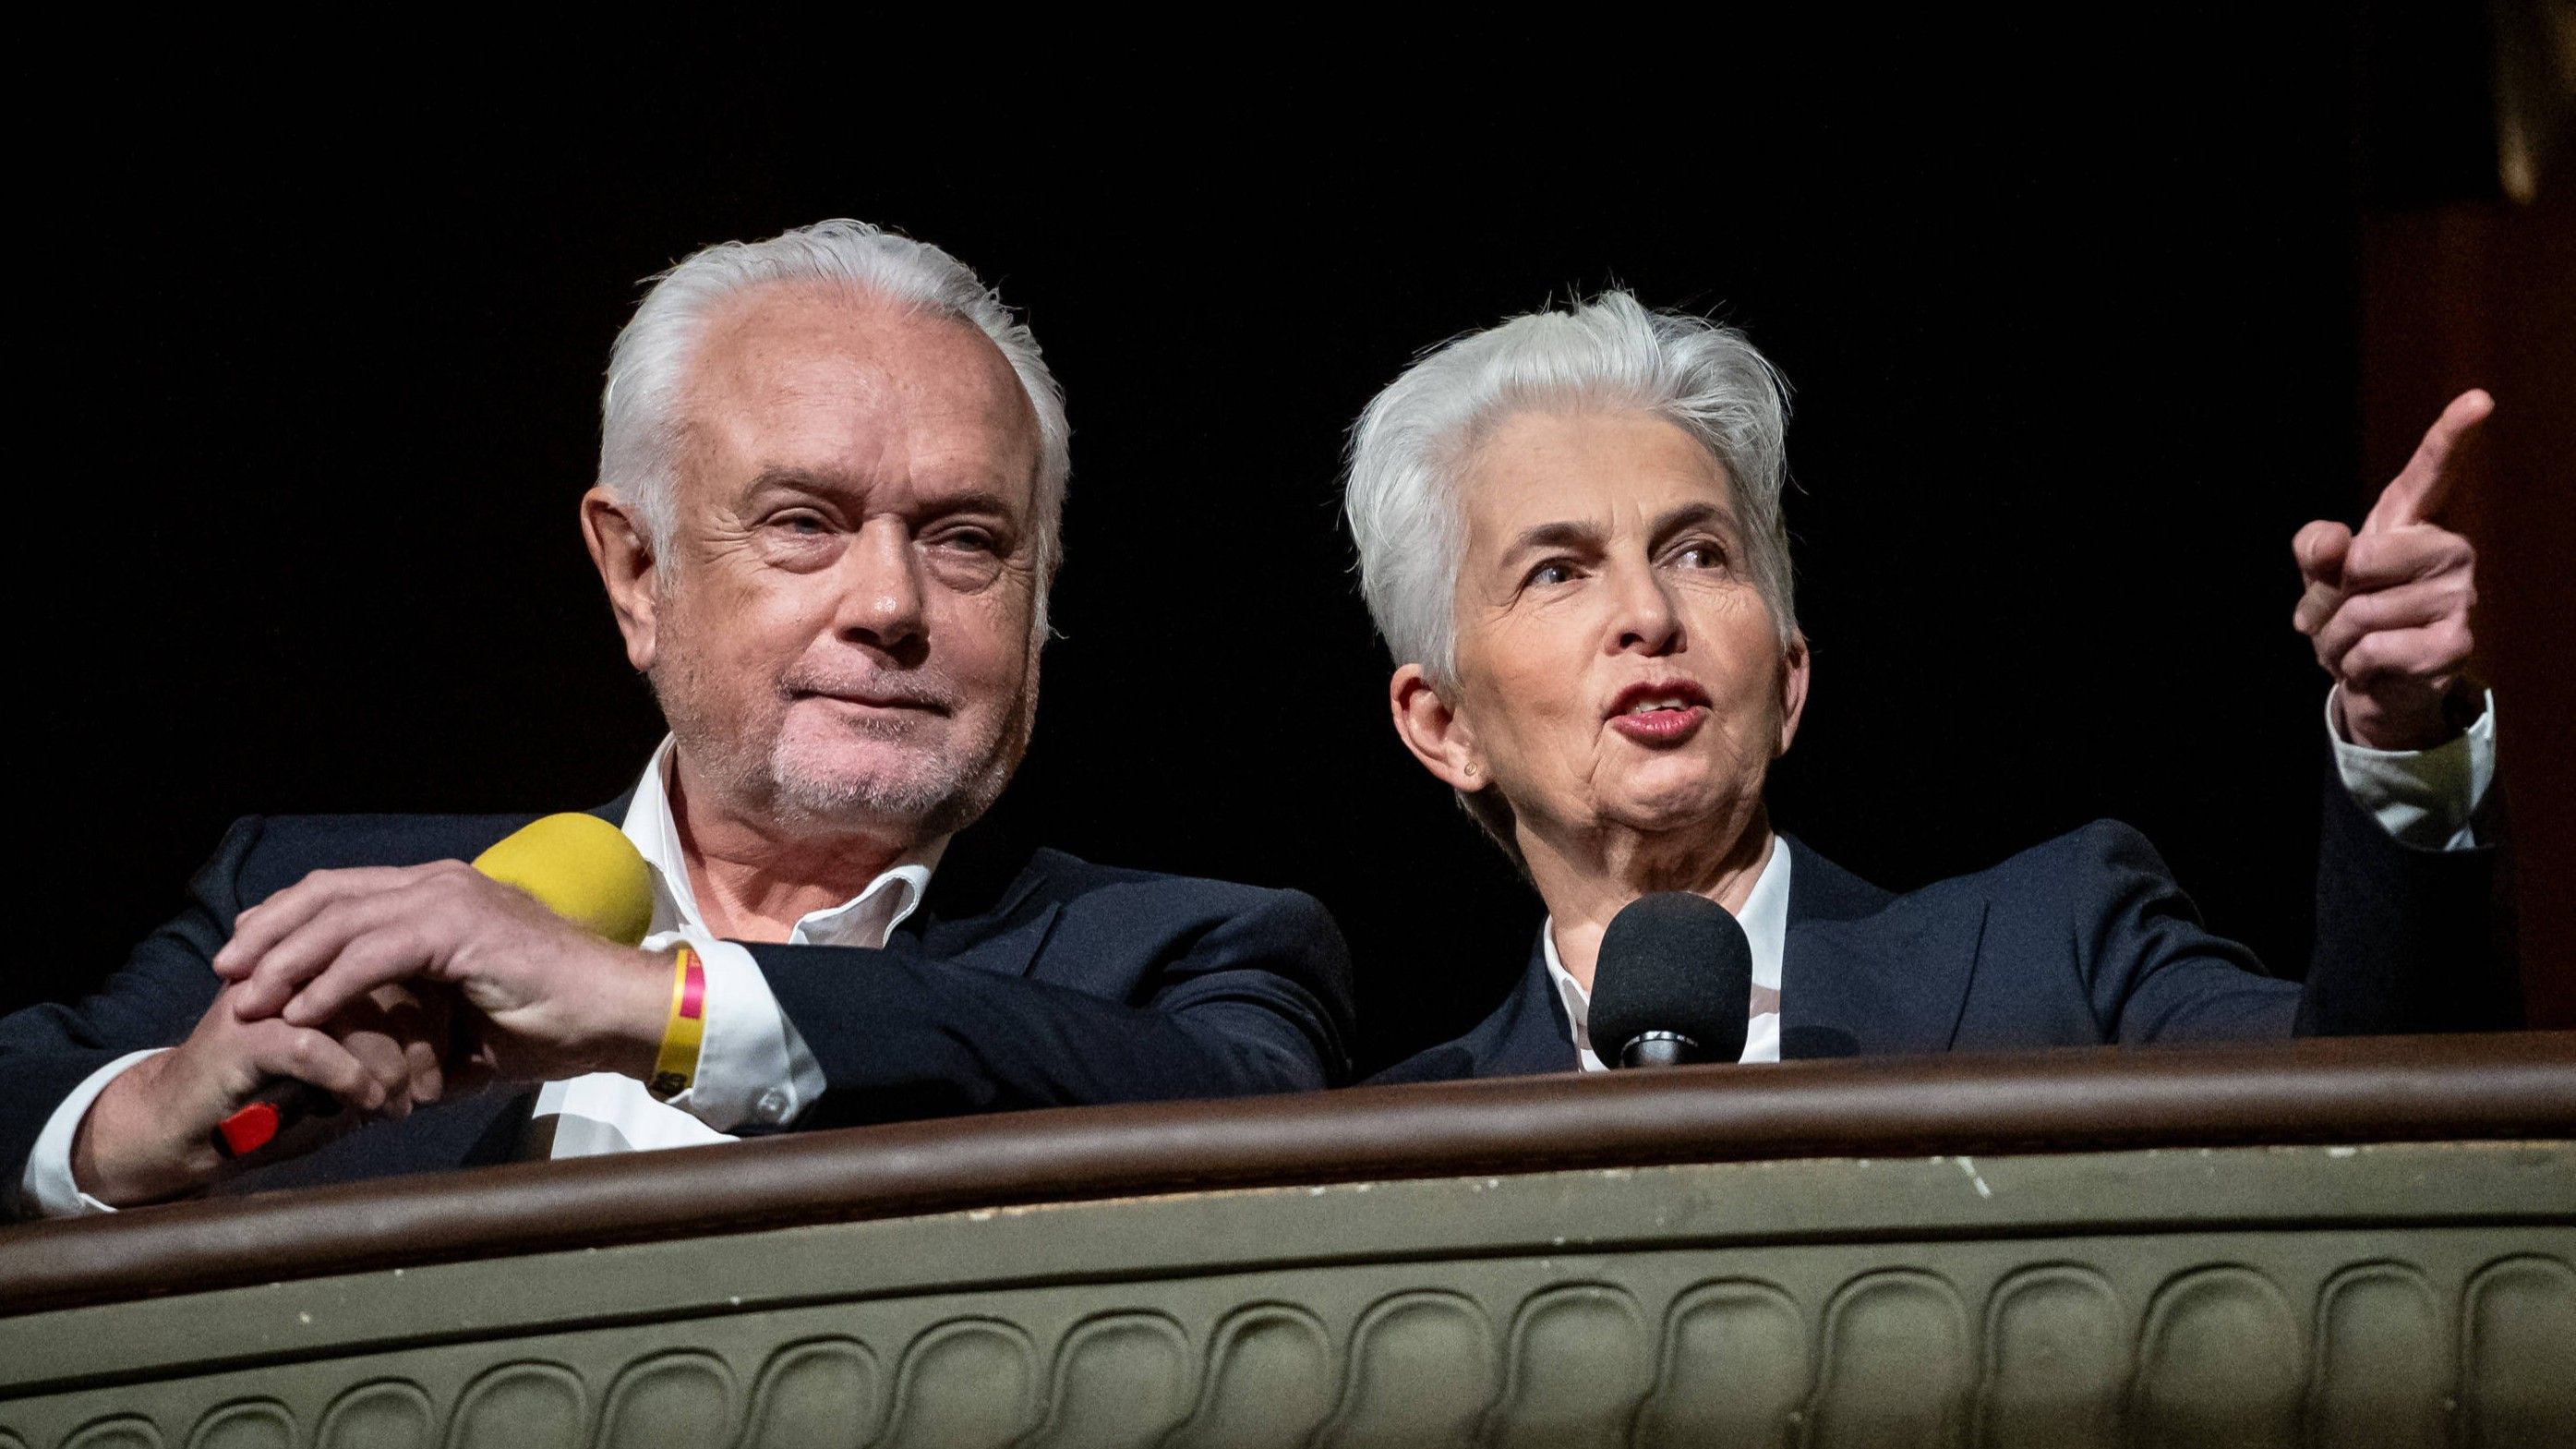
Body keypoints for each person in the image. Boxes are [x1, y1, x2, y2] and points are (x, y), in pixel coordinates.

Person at [2, 220, 1354, 1216]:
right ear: (636, 572)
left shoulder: (1192, 953)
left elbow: (1264, 1133)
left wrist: (662, 1008)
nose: (890, 601)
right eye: (802, 524)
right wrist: (132, 1125)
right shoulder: (311, 894)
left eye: (964, 539)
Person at [1345, 292, 2509, 1081]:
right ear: (1442, 726)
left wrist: (2398, 743)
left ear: (1790, 676)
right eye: (1559, 571)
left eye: (1700, 553)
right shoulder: (1385, 1142)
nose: (1650, 616)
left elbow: (2395, 1124)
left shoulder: (2060, 952)